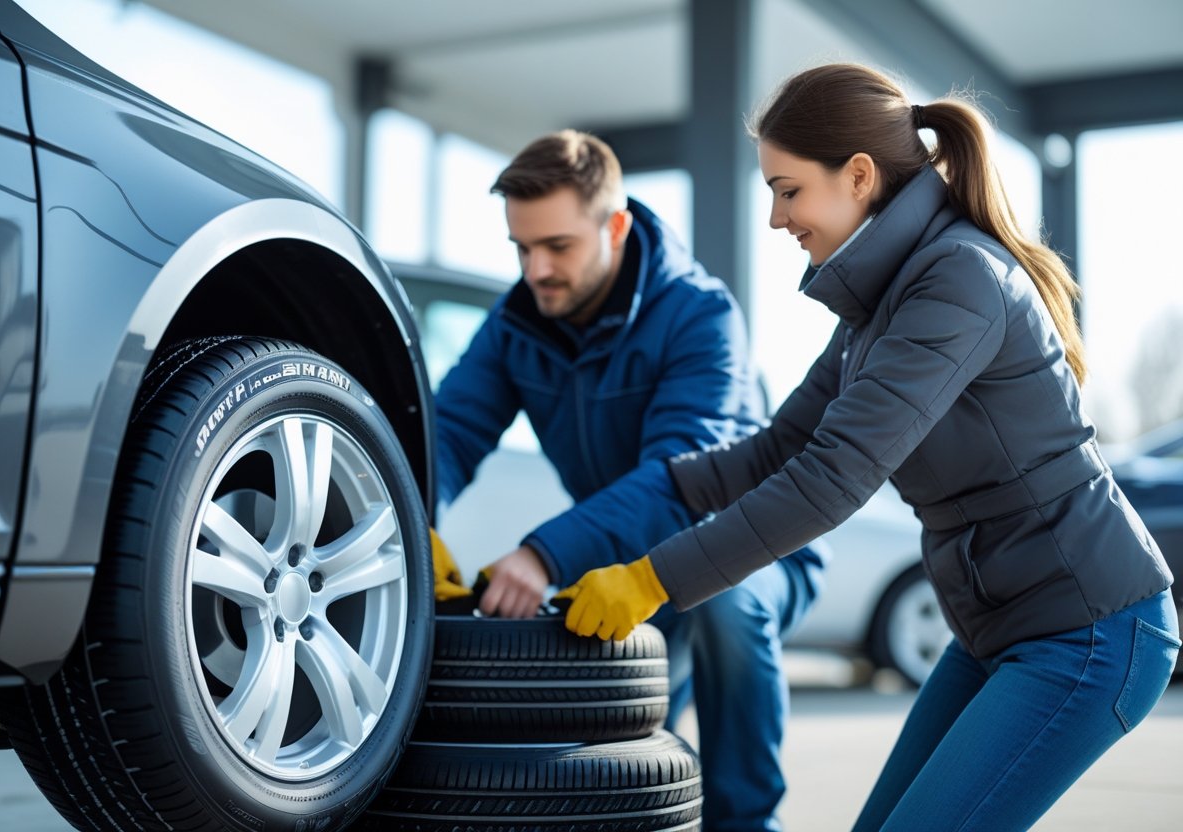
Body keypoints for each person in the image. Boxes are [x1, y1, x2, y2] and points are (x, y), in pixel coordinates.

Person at [555, 63, 1180, 831]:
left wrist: (654, 580)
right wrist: (571, 542)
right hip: (997, 633)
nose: (777, 218)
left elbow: (831, 478)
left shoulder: (959, 280)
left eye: (788, 190)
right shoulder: (877, 307)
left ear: (857, 175)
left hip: (1089, 631)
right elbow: (776, 450)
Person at [431, 129, 828, 831]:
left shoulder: (702, 316)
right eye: (522, 249)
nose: (537, 269)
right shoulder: (515, 326)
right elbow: (449, 434)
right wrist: (411, 520)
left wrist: (543, 554)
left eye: (558, 246)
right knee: (633, 773)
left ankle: (747, 823)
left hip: (742, 554)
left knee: (727, 607)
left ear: (614, 225)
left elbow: (681, 477)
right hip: (617, 566)